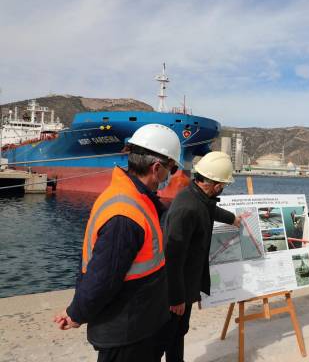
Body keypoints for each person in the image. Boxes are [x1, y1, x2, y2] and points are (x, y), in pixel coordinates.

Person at [53, 124, 182, 362]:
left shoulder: (136, 198)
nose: (172, 176)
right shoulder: (125, 215)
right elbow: (102, 277)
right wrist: (76, 313)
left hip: (140, 323)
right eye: (172, 169)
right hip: (126, 332)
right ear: (156, 168)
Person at [161, 151, 241, 361]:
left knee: (179, 331)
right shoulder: (187, 208)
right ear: (216, 186)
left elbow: (210, 209)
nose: (222, 189)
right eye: (222, 185)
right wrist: (176, 297)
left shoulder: (196, 196)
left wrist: (232, 218)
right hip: (178, 287)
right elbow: (173, 255)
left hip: (186, 284)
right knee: (169, 334)